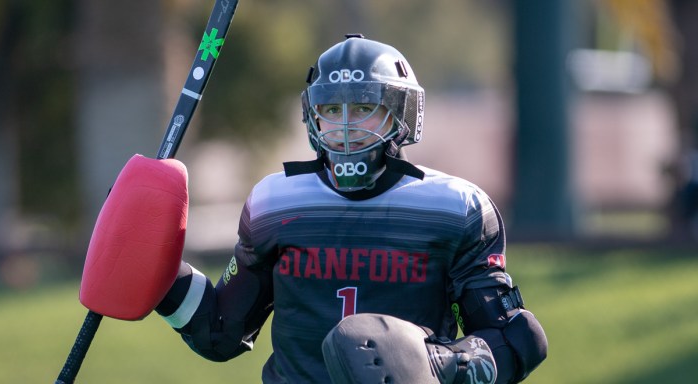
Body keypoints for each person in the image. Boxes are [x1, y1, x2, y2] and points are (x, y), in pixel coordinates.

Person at [154, 34, 548, 383]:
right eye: (331, 111)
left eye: (362, 109)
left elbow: (516, 339)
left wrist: (445, 366)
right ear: (313, 117)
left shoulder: (456, 208)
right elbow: (222, 331)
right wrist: (158, 274)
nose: (345, 126)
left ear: (401, 113)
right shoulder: (274, 202)